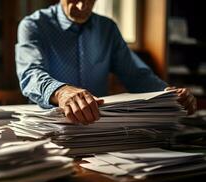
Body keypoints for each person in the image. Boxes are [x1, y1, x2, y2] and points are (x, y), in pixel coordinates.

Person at [15, 0, 197, 125]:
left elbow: (135, 74)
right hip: (50, 127)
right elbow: (29, 74)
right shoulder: (33, 25)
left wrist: (168, 95)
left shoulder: (107, 28)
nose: (80, 5)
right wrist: (61, 92)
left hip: (99, 128)